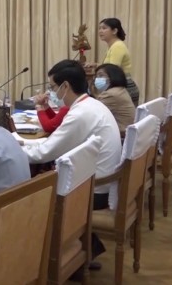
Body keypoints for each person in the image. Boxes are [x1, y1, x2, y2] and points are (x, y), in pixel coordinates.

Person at [19, 60, 123, 264]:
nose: (52, 92)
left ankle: (42, 262)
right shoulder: (92, 104)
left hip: (95, 190)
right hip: (101, 181)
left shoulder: (81, 113)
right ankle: (84, 251)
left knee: (29, 196)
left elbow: (43, 153)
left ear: (65, 86)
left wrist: (13, 149)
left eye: (53, 87)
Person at [96, 18, 140, 106]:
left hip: (124, 88)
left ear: (114, 31)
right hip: (119, 87)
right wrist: (96, 65)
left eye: (104, 28)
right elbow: (110, 66)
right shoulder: (113, 46)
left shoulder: (117, 46)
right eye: (99, 28)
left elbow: (112, 71)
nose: (100, 31)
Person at [94, 63, 136, 136]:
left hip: (121, 136)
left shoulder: (110, 94)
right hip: (128, 133)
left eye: (101, 75)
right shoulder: (120, 90)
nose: (96, 79)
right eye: (96, 76)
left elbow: (92, 113)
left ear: (112, 76)